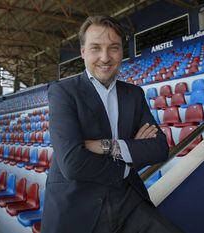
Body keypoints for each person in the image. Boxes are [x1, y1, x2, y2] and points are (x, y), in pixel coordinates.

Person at [41, 15, 184, 233]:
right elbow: (72, 163)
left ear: (121, 52)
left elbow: (159, 148)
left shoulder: (134, 94)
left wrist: (106, 146)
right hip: (77, 205)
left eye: (113, 48)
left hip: (128, 201)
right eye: (95, 48)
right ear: (82, 52)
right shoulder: (63, 92)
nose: (105, 57)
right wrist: (127, 162)